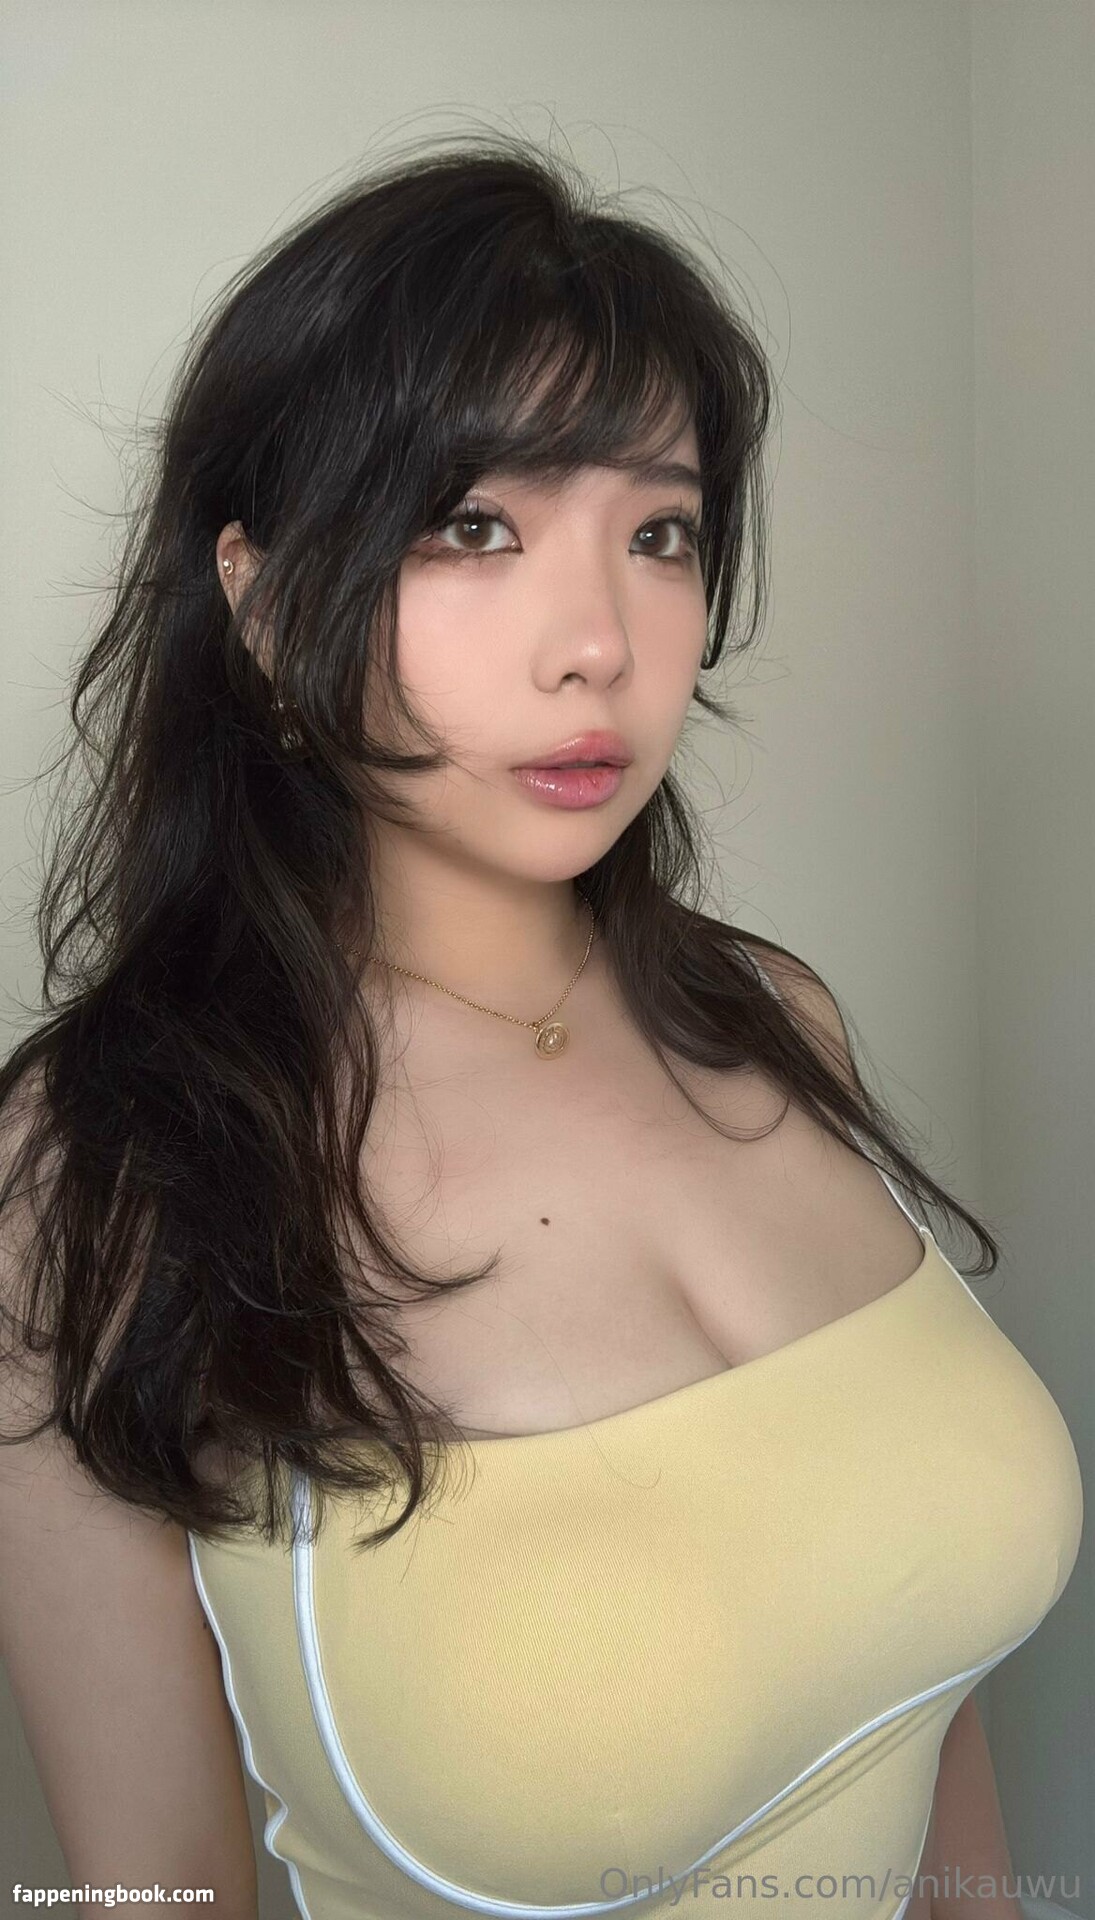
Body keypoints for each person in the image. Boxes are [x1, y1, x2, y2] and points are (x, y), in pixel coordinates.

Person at [0, 134, 1082, 1920]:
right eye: (474, 525)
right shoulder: (104, 1166)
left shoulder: (771, 1015)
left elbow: (921, 1679)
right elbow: (154, 1887)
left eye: (659, 534)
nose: (599, 644)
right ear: (263, 606)